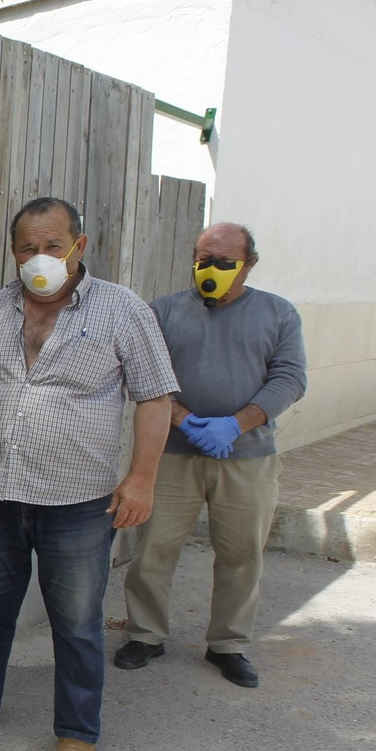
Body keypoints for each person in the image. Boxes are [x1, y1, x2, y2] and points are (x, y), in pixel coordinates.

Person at [0, 197, 177, 751]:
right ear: (13, 252)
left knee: (77, 622)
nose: (40, 257)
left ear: (79, 246)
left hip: (78, 501)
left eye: (53, 246)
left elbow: (155, 397)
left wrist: (141, 478)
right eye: (28, 248)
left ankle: (77, 732)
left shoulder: (122, 310)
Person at [116, 223, 306, 688]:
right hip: (171, 454)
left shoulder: (278, 313)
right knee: (153, 548)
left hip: (248, 457)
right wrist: (184, 421)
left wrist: (236, 424)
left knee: (242, 554)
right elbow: (145, 376)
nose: (212, 268)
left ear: (249, 264)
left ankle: (228, 644)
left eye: (224, 262)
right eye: (204, 259)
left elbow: (290, 378)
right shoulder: (163, 313)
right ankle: (145, 634)